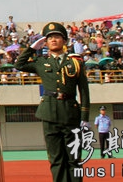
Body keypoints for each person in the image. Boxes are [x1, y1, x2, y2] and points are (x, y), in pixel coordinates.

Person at [15, 22, 91, 182]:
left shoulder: (75, 63)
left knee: (73, 158)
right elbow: (19, 64)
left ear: (64, 41)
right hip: (49, 113)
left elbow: (84, 91)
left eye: (57, 37)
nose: (53, 40)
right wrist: (31, 48)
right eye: (49, 38)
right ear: (45, 42)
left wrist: (85, 117)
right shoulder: (41, 62)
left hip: (70, 114)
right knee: (56, 159)